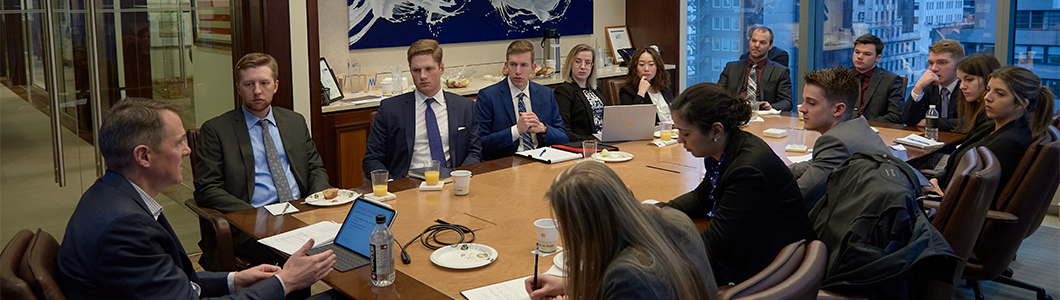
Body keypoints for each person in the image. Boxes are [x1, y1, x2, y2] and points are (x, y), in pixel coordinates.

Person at [57, 98, 338, 300]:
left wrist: (234, 280)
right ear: (144, 156)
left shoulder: (112, 195)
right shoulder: (125, 227)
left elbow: (171, 283)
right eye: (178, 142)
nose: (188, 150)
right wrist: (283, 282)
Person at [658, 82, 815, 285]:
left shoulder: (746, 171)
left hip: (771, 269)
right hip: (758, 252)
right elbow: (702, 197)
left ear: (715, 130)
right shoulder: (727, 147)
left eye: (685, 133)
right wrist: (657, 213)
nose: (680, 140)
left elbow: (711, 247)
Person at [194, 52, 331, 268]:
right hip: (253, 221)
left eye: (264, 83)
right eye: (249, 84)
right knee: (293, 255)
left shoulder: (294, 121)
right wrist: (255, 215)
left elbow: (315, 168)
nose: (257, 91)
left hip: (301, 212)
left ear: (275, 86)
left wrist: (317, 201)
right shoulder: (217, 130)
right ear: (239, 88)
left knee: (349, 240)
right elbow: (207, 188)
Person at [524, 160, 718, 300]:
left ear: (583, 228)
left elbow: (631, 285)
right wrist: (574, 284)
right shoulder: (676, 220)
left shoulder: (626, 275)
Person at [928, 66, 1055, 198]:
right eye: (988, 90)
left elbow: (970, 195)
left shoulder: (1010, 143)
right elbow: (956, 161)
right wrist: (936, 180)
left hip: (946, 204)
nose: (987, 97)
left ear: (1020, 103)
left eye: (999, 93)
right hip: (941, 191)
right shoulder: (990, 123)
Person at [363, 39, 482, 179]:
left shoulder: (465, 107)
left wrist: (460, 178)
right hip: (406, 186)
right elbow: (372, 159)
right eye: (416, 70)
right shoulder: (390, 109)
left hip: (452, 183)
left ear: (441, 68)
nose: (422, 76)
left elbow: (474, 152)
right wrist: (391, 185)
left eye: (429, 69)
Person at [790, 68, 899, 208]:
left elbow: (798, 198)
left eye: (811, 103)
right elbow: (815, 164)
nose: (802, 109)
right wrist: (773, 171)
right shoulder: (858, 126)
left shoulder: (836, 142)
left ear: (838, 110)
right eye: (804, 101)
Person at [476, 39, 568, 160]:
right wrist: (516, 130)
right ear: (506, 66)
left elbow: (563, 137)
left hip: (541, 160)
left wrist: (543, 129)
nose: (518, 71)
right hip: (506, 164)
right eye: (513, 65)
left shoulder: (546, 94)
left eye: (524, 65)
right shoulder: (488, 96)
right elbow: (481, 144)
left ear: (533, 68)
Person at [718, 25, 793, 111]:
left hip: (763, 118)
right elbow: (718, 94)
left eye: (762, 42)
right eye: (754, 41)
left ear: (770, 46)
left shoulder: (780, 71)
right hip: (734, 115)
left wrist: (772, 106)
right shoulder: (731, 68)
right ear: (749, 42)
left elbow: (787, 102)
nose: (757, 45)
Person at [903, 39, 965, 131]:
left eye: (942, 63)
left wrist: (931, 122)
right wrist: (918, 87)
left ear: (958, 65)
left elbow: (967, 122)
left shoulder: (966, 88)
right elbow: (909, 121)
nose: (933, 69)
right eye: (931, 63)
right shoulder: (929, 87)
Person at [554, 43, 609, 142]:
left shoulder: (596, 87)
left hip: (606, 140)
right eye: (578, 62)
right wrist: (591, 140)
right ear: (570, 63)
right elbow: (564, 130)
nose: (583, 66)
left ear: (592, 66)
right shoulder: (563, 91)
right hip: (584, 144)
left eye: (588, 63)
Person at [847, 34, 905, 123]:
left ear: (878, 58)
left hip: (874, 130)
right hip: (843, 130)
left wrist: (866, 125)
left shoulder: (890, 80)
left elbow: (896, 115)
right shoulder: (842, 76)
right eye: (857, 52)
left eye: (867, 54)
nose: (860, 57)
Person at [619, 47, 674, 123]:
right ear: (635, 68)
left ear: (657, 67)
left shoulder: (664, 87)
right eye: (641, 65)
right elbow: (630, 120)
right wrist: (641, 93)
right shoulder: (627, 90)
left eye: (651, 64)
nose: (646, 69)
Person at [953, 54, 1001, 134]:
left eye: (969, 79)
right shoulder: (975, 107)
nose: (962, 86)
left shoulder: (991, 115)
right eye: (960, 81)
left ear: (989, 79)